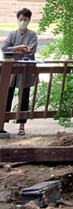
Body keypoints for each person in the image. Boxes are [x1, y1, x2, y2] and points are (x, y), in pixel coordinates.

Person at [0, 7, 39, 136]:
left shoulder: (32, 34)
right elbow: (4, 48)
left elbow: (31, 50)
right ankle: (2, 124)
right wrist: (18, 48)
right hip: (11, 70)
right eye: (21, 19)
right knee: (7, 95)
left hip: (26, 69)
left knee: (24, 96)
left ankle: (21, 126)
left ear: (29, 20)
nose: (22, 21)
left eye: (25, 19)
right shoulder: (12, 34)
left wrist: (16, 50)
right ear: (17, 20)